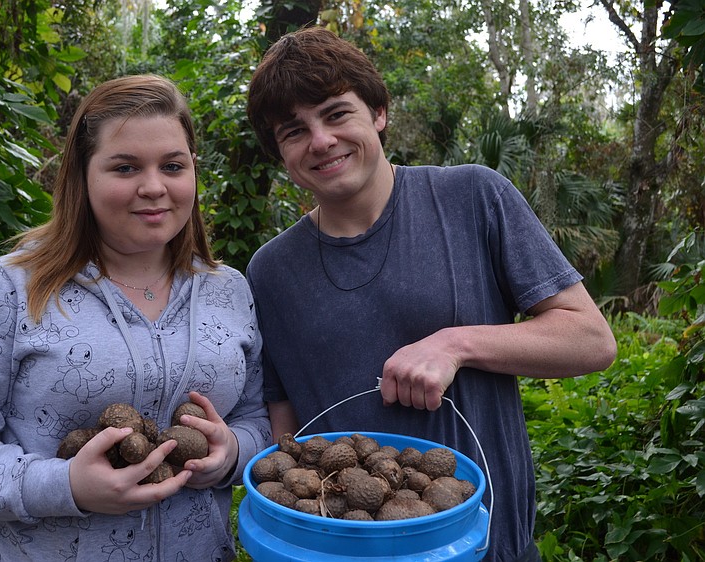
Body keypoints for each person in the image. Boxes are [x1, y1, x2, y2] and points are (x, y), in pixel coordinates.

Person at [245, 27, 616, 562]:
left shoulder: (473, 198)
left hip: (485, 544)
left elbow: (591, 340)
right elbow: (285, 424)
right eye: (294, 130)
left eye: (336, 113)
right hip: (339, 549)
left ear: (378, 112)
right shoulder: (271, 270)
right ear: (281, 153)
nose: (321, 140)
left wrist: (454, 344)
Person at [0, 74, 271, 562]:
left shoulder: (230, 291)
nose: (154, 187)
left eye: (173, 165)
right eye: (124, 167)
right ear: (82, 175)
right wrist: (66, 485)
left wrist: (230, 454)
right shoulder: (9, 289)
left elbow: (255, 420)